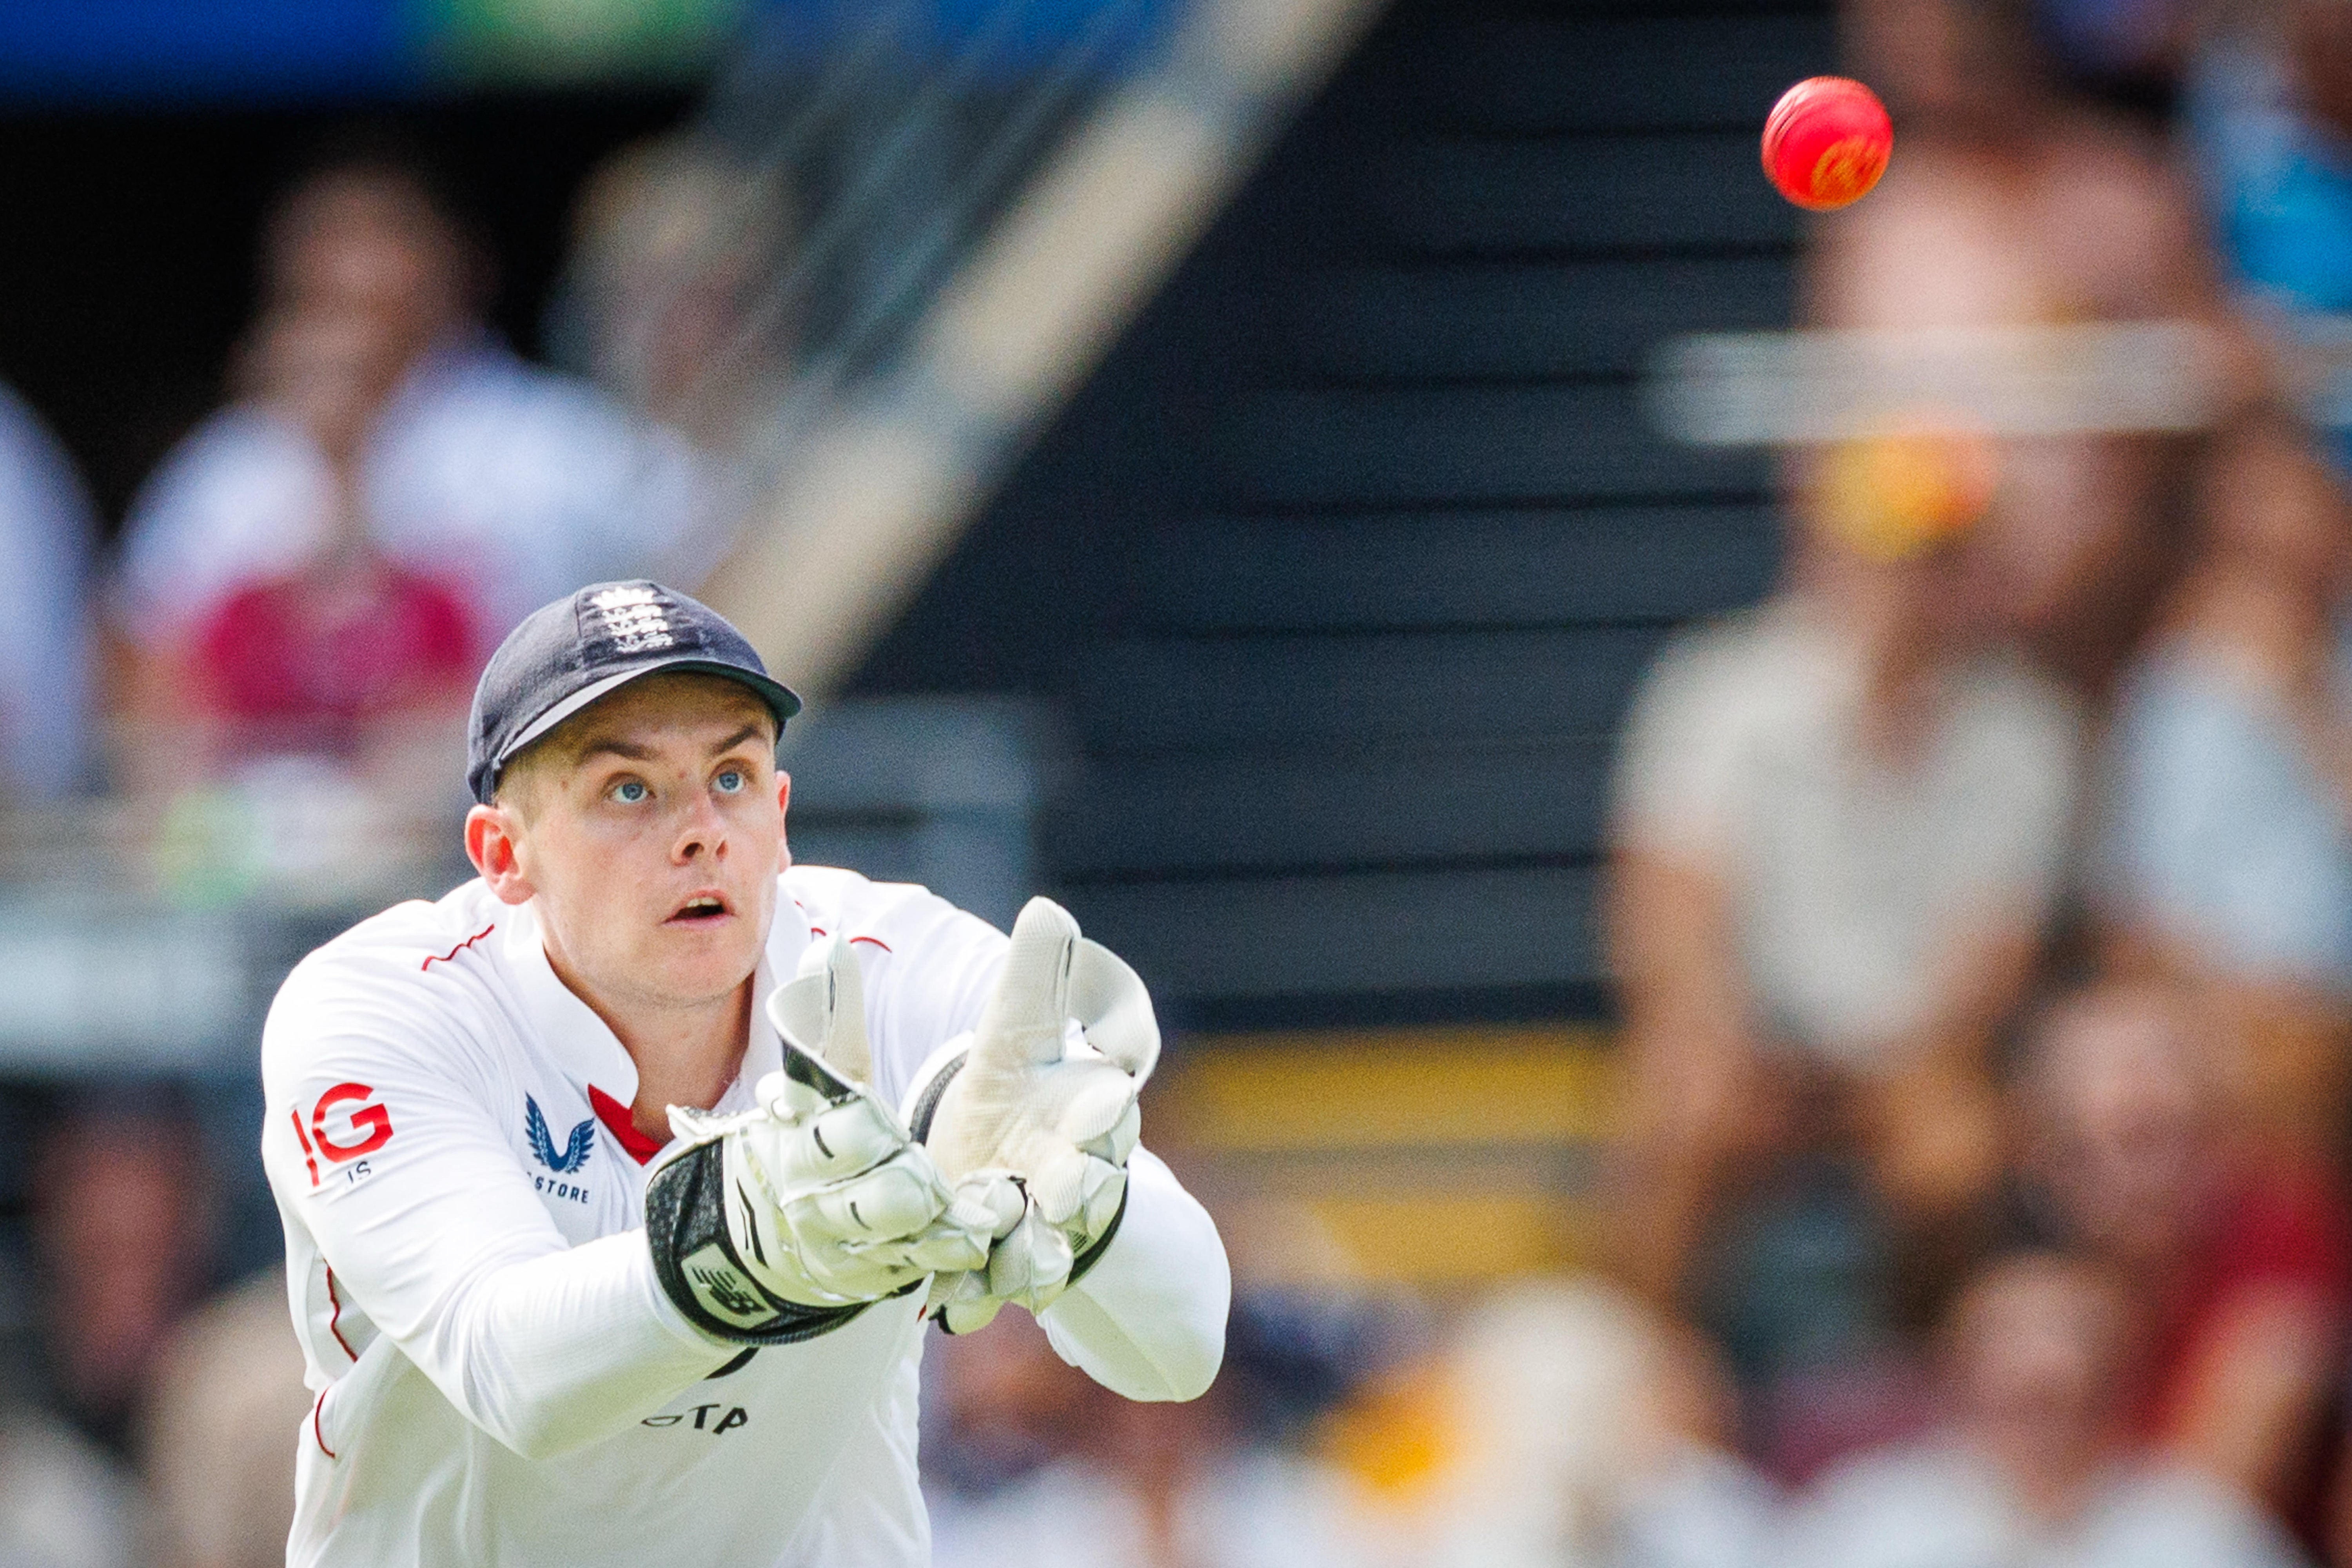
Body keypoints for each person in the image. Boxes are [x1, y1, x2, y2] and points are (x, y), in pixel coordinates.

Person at [258, 580, 1227, 1565]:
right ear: (503, 854)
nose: (700, 830)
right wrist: (754, 1241)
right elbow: (511, 1369)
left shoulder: (903, 972)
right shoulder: (380, 1009)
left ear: (781, 812)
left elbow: (1177, 1348)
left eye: (731, 777)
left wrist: (1088, 1216)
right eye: (628, 789)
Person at [1606, 426, 2084, 1318]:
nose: (1911, 585)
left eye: (1937, 557)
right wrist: (1725, 1039)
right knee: (1682, 1110)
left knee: (1956, 1155)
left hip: (1911, 1063)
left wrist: (1886, 1067)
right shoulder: (1723, 687)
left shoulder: (2026, 731)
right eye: (1892, 551)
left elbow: (1990, 961)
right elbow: (1669, 917)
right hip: (1750, 1050)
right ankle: (1645, 1367)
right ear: (1829, 548)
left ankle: (1936, 1397)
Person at [116, 149, 720, 674]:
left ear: (459, 262)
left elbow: (717, 559)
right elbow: (138, 640)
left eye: (385, 232)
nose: (358, 266)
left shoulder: (555, 439)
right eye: (330, 236)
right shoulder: (229, 467)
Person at [2017, 980, 2350, 1545]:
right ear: (2051, 1166)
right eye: (2100, 1149)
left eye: (2168, 1137)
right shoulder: (2054, 1283)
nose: (2145, 1181)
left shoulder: (2281, 1230)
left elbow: (2211, 1507)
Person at [1776, 1251, 2305, 1568]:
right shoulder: (1868, 1521)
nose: (2039, 1377)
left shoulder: (2204, 1532)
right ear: (1958, 1379)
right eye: (2016, 1395)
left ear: (2117, 1388)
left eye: (2062, 1395)